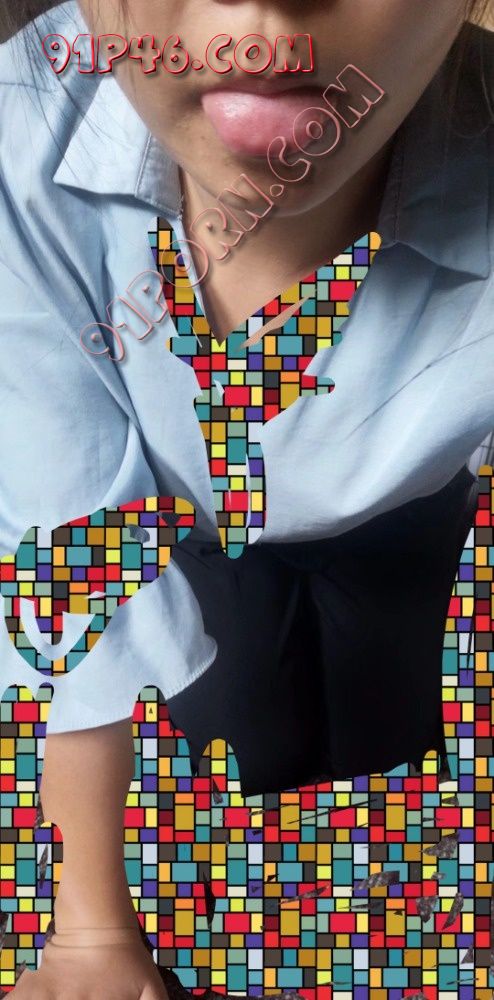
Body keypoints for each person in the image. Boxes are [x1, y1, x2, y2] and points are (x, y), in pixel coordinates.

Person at [0, 1, 493, 996]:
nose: (262, 8)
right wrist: (90, 933)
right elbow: (65, 554)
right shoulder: (21, 134)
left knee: (388, 728)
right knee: (239, 737)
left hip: (406, 517)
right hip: (169, 525)